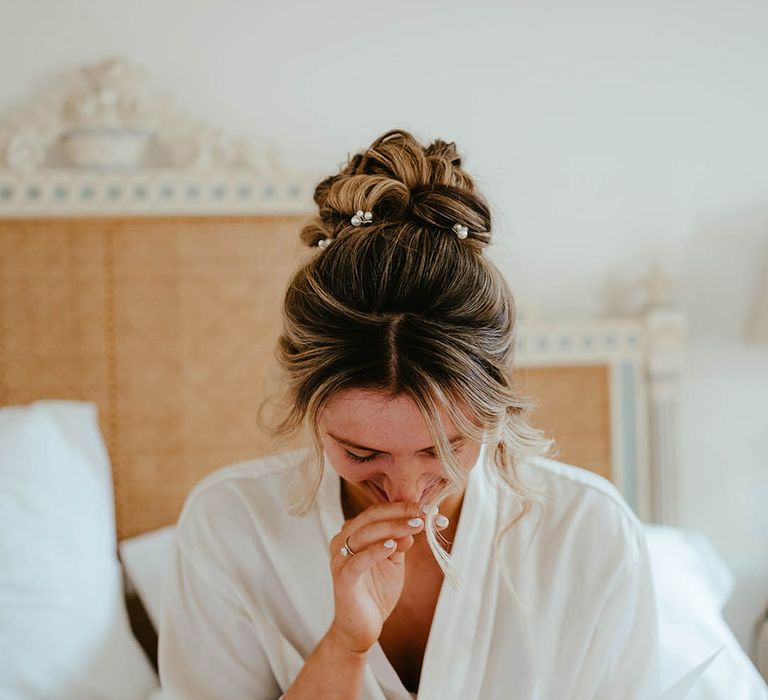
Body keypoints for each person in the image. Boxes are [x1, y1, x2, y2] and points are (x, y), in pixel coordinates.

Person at [157, 129, 662, 699]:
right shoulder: (232, 527)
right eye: (363, 452)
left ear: (495, 410)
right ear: (309, 410)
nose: (406, 491)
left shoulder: (588, 536)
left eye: (442, 450)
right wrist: (346, 644)